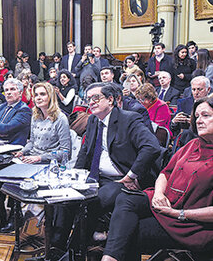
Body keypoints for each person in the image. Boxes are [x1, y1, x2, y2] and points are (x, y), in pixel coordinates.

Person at [48, 82, 160, 254]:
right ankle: (56, 250)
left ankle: (75, 251)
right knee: (63, 199)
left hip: (122, 178)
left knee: (92, 202)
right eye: (88, 99)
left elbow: (151, 147)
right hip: (96, 177)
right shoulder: (93, 120)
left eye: (96, 98)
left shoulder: (129, 118)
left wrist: (132, 175)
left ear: (111, 100)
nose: (91, 102)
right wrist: (74, 175)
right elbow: (85, 151)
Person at [101, 95, 213, 261]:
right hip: (167, 203)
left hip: (191, 223)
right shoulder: (192, 144)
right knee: (125, 198)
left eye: (206, 115)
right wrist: (159, 194)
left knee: (128, 232)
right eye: (196, 116)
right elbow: (165, 173)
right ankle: (109, 259)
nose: (199, 121)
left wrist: (180, 213)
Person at [13, 82, 71, 164]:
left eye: (42, 94)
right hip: (31, 158)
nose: (38, 98)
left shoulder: (61, 118)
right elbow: (32, 142)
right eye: (36, 95)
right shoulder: (35, 116)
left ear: (51, 97)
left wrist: (39, 158)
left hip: (48, 163)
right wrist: (22, 152)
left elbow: (65, 152)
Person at [0, 78, 31, 146]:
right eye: (6, 90)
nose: (8, 92)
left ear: (20, 92)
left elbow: (6, 128)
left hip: (13, 149)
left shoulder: (24, 110)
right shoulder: (1, 107)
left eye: (12, 89)